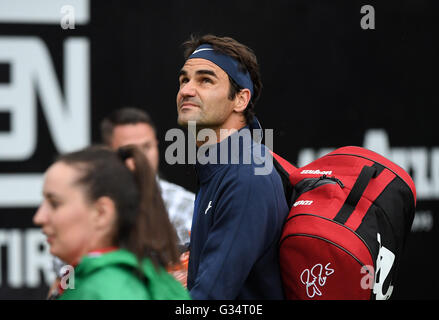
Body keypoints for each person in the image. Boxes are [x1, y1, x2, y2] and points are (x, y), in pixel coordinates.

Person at [176, 34, 289, 299]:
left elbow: (207, 299)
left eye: (205, 80)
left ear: (240, 99)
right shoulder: (222, 168)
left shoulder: (245, 177)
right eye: (184, 80)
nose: (187, 90)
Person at [33, 145, 191, 300]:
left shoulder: (96, 291)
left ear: (101, 213)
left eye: (55, 203)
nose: (39, 217)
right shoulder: (161, 282)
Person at [101, 107, 194, 246]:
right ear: (109, 153)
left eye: (147, 147)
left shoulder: (186, 205)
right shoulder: (91, 205)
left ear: (157, 145)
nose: (141, 157)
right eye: (130, 150)